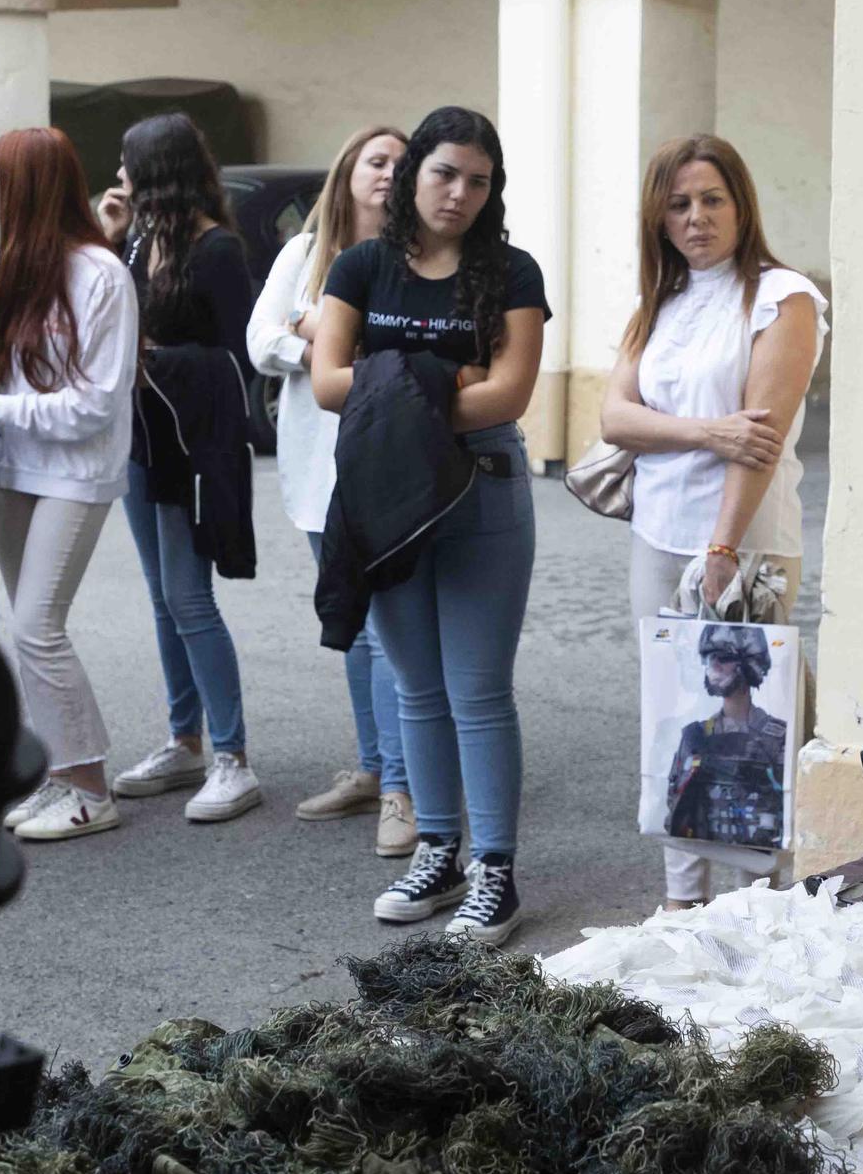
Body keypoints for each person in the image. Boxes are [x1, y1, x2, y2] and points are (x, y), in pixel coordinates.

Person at [313, 106, 549, 945]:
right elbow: (325, 382)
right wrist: (448, 376)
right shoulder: (361, 265)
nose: (459, 193)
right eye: (445, 172)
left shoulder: (512, 272)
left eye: (478, 181)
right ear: (414, 172)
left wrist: (394, 383)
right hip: (387, 495)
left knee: (477, 689)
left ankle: (495, 868)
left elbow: (510, 395)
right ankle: (439, 848)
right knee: (416, 685)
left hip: (484, 488)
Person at [597, 134, 825, 910]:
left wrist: (723, 545)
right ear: (659, 217)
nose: (696, 217)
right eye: (679, 203)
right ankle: (681, 903)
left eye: (711, 199)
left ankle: (763, 901)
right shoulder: (658, 300)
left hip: (746, 539)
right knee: (674, 710)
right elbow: (615, 416)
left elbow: (758, 440)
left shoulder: (781, 297)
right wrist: (704, 430)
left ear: (741, 205)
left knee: (752, 721)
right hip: (658, 535)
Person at [0, 128, 138, 842]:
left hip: (77, 471)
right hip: (13, 466)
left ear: (27, 186)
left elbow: (96, 403)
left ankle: (90, 787)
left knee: (37, 628)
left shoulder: (101, 274)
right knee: (28, 629)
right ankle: (59, 777)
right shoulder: (7, 265)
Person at [247, 124, 418, 856]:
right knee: (350, 620)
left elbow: (408, 352)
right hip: (317, 468)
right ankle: (374, 766)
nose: (387, 174)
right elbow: (261, 341)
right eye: (375, 161)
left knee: (388, 633)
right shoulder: (304, 254)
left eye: (400, 165)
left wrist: (326, 335)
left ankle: (405, 788)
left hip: (384, 468)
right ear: (347, 172)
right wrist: (318, 339)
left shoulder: (413, 260)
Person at [97, 113, 264, 823]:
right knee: (163, 595)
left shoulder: (216, 250)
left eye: (127, 167)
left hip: (192, 444)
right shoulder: (136, 240)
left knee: (190, 597)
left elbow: (243, 358)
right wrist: (104, 240)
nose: (118, 179)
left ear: (156, 173)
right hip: (141, 440)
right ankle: (183, 738)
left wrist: (158, 361)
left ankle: (232, 756)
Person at [665, 625, 789, 850]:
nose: (714, 665)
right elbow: (674, 800)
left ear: (749, 665)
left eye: (723, 657)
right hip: (698, 843)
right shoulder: (695, 736)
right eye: (710, 657)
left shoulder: (778, 738)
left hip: (759, 851)